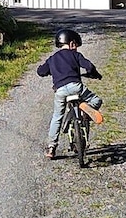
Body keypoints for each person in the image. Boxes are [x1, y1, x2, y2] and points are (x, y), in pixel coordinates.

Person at [36, 28, 100, 158]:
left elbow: (41, 71)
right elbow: (89, 66)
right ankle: (85, 111)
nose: (76, 48)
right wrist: (95, 74)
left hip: (60, 91)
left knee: (57, 116)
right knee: (96, 100)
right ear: (71, 44)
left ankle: (51, 147)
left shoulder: (52, 59)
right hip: (76, 87)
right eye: (76, 45)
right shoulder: (75, 55)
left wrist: (50, 70)